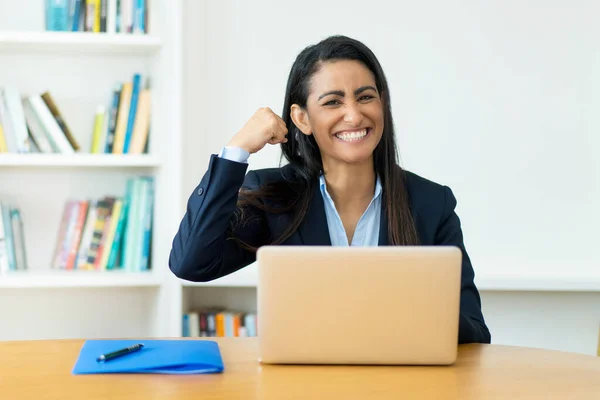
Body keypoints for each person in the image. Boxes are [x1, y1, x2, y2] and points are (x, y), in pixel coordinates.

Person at [169, 35, 491, 344]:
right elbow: (191, 262)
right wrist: (237, 150)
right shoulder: (274, 197)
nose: (354, 115)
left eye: (366, 97)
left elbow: (475, 330)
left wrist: (404, 310)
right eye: (333, 101)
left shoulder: (432, 204)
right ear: (302, 118)